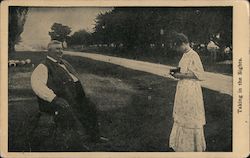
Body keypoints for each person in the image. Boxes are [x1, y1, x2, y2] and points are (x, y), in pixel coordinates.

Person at [31, 40, 108, 149]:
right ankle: (76, 145)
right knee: (68, 113)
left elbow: (73, 79)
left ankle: (94, 136)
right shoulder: (43, 66)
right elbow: (38, 86)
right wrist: (54, 99)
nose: (60, 51)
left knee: (90, 107)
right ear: (49, 51)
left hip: (72, 98)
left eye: (61, 48)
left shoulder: (65, 63)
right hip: (54, 102)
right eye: (57, 49)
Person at [169, 33, 206, 152]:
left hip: (191, 89)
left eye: (178, 46)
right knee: (183, 113)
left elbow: (200, 74)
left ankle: (191, 146)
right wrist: (176, 73)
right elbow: (184, 69)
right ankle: (182, 144)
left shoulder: (193, 55)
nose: (178, 49)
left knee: (189, 114)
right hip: (183, 88)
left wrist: (181, 75)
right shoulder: (185, 55)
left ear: (184, 43)